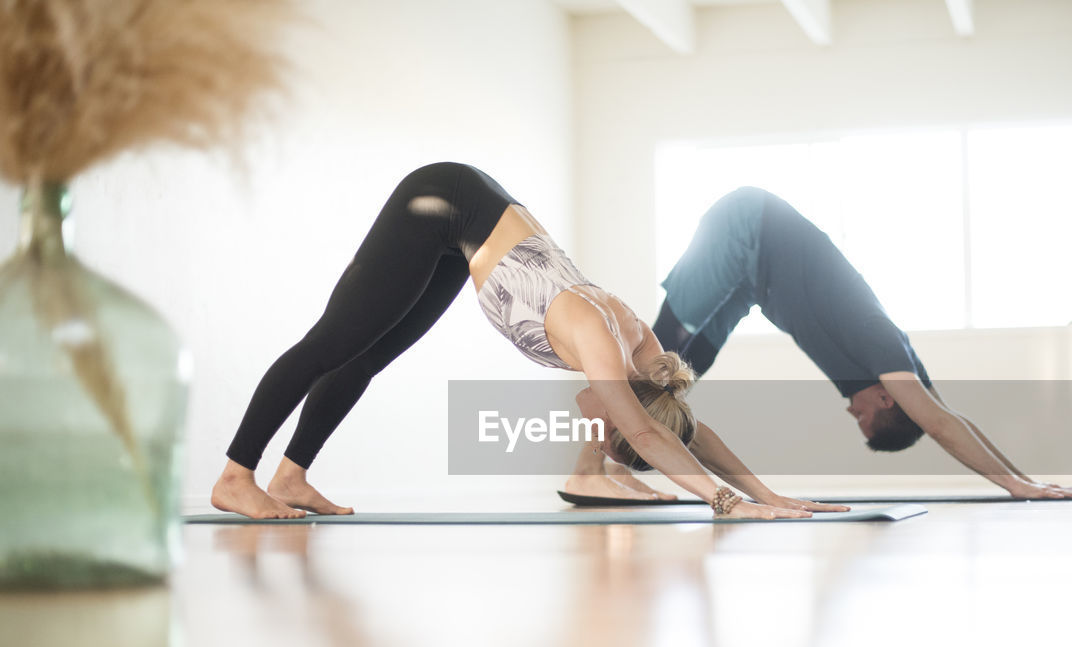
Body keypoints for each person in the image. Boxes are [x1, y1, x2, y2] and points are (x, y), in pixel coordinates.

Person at [211, 163, 846, 519]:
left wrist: (770, 493)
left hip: (471, 224)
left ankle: (290, 478)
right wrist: (727, 503)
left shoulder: (647, 356)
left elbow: (681, 428)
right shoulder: (603, 344)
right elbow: (650, 433)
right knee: (332, 342)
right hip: (441, 201)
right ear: (624, 409)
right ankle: (238, 475)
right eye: (616, 429)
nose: (599, 427)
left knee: (367, 355)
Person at [564, 186, 1072, 501]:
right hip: (750, 230)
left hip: (753, 279)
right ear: (888, 398)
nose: (852, 412)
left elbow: (945, 410)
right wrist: (1018, 486)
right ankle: (590, 470)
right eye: (865, 417)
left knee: (685, 375)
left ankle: (616, 467)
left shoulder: (882, 360)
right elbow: (938, 419)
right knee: (652, 365)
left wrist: (1026, 478)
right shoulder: (880, 343)